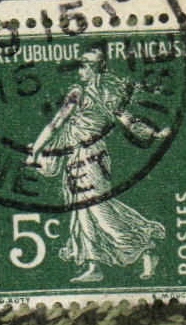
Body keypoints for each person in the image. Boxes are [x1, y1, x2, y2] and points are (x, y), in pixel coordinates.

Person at [25, 49, 171, 282]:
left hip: (93, 157)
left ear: (95, 69)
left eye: (84, 67)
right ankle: (94, 267)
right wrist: (37, 150)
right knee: (81, 212)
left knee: (99, 209)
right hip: (76, 156)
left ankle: (145, 249)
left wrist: (153, 134)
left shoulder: (98, 95)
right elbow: (56, 124)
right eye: (80, 67)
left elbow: (127, 120)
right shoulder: (81, 93)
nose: (80, 71)